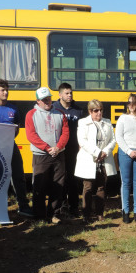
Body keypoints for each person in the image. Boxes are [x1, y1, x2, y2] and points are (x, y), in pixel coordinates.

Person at [0, 79, 32, 217]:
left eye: (7, 90)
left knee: (19, 175)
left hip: (10, 145)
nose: (6, 92)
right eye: (3, 90)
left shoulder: (13, 109)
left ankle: (23, 206)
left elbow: (17, 128)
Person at [25, 87, 69, 222]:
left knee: (58, 185)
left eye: (49, 99)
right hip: (41, 155)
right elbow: (31, 135)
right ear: (38, 101)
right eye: (44, 100)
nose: (47, 102)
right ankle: (39, 215)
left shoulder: (60, 113)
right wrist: (47, 148)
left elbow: (65, 133)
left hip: (58, 155)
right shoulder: (31, 114)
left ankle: (54, 214)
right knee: (39, 186)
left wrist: (58, 147)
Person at [75, 99, 116, 223]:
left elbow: (113, 140)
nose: (99, 113)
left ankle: (99, 213)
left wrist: (105, 152)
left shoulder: (107, 122)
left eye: (100, 110)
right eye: (95, 111)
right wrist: (97, 152)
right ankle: (86, 214)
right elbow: (82, 141)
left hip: (104, 160)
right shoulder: (82, 123)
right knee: (87, 187)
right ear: (90, 111)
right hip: (89, 160)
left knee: (101, 187)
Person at [115, 93, 136, 224]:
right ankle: (125, 211)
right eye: (128, 103)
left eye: (133, 103)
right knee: (126, 183)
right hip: (125, 153)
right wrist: (129, 151)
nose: (130, 105)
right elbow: (119, 137)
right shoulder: (123, 118)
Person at [52, 82, 83, 217]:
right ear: (60, 95)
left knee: (73, 178)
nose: (70, 95)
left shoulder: (78, 110)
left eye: (71, 93)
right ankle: (61, 206)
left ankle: (74, 207)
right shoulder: (54, 108)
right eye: (66, 93)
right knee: (60, 179)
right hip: (59, 149)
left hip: (73, 149)